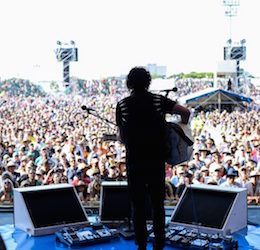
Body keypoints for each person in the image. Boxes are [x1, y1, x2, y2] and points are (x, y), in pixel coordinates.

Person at [116, 67, 190, 250]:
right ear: (148, 82)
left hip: (134, 162)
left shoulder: (123, 105)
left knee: (138, 206)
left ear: (129, 83)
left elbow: (120, 137)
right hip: (156, 161)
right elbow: (185, 112)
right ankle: (159, 244)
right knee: (158, 205)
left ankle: (141, 244)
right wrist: (178, 129)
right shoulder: (158, 100)